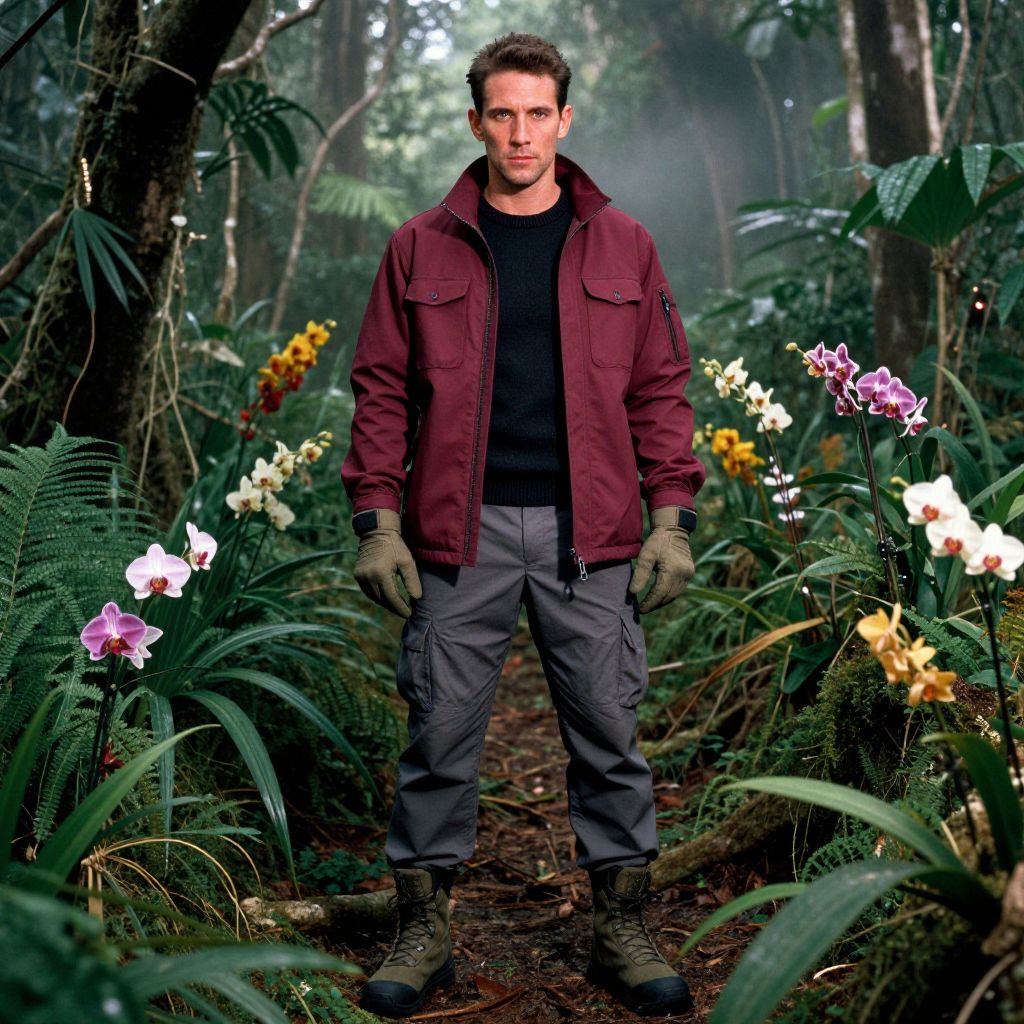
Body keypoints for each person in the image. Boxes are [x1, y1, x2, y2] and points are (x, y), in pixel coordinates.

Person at [341, 32, 705, 1019]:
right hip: (459, 535)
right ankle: (424, 928)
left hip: (592, 535)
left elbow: (661, 388)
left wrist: (670, 519)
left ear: (564, 120)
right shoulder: (420, 246)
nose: (519, 132)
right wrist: (378, 521)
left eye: (537, 113)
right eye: (501, 113)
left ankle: (619, 925)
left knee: (607, 731)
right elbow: (380, 390)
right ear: (475, 122)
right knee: (440, 733)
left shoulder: (623, 243)